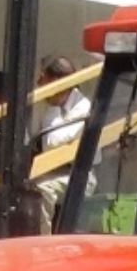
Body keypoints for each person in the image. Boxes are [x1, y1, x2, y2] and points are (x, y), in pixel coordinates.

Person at [35, 55, 92, 230]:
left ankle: (42, 243)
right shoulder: (47, 106)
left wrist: (53, 105)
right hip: (50, 170)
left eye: (43, 80)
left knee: (42, 189)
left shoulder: (83, 107)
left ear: (57, 83)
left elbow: (51, 143)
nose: (39, 84)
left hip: (79, 175)